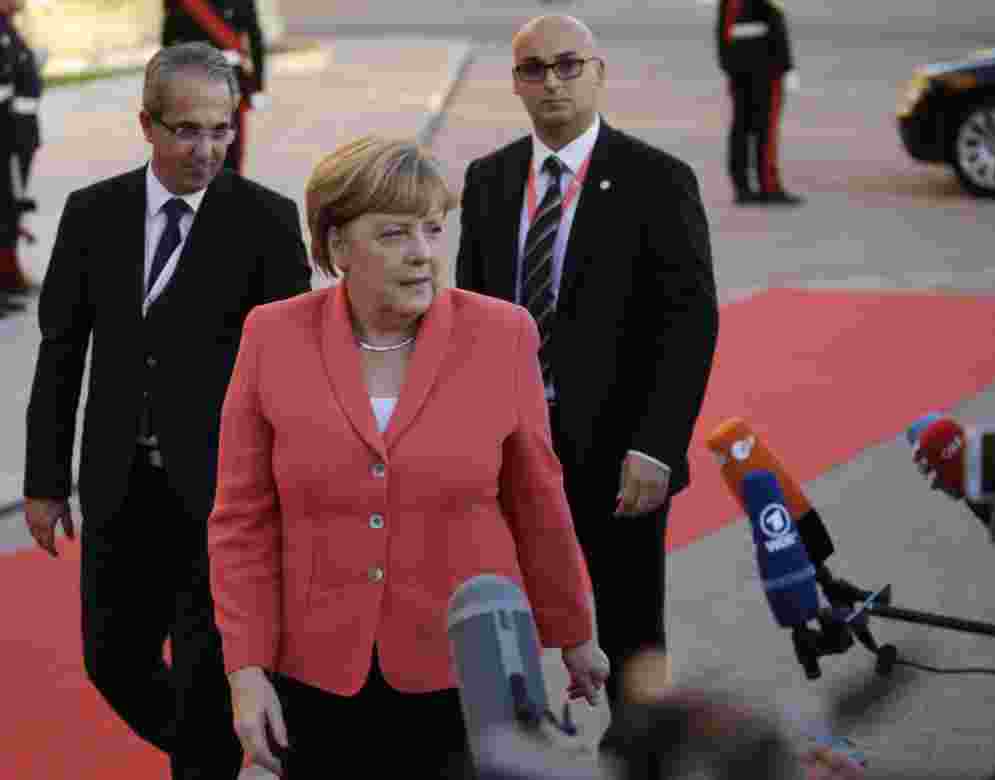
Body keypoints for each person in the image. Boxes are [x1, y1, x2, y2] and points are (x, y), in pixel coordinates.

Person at [209, 135, 610, 778]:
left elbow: (538, 500)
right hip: (318, 673)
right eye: (394, 233)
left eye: (432, 228)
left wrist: (575, 632)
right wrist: (246, 672)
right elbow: (241, 522)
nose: (423, 253)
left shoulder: (502, 336)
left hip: (467, 672)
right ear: (337, 245)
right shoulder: (271, 336)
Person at [22, 42, 310, 779]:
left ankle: (209, 759)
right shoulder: (93, 214)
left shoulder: (268, 223)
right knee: (110, 663)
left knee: (203, 676)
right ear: (146, 125)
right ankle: (219, 753)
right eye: (187, 129)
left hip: (223, 501)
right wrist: (45, 480)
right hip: (119, 491)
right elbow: (62, 353)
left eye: (221, 129)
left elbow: (292, 377)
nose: (208, 148)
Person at [455, 14, 719, 740]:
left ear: (599, 73)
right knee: (498, 629)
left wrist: (658, 444)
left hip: (621, 458)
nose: (553, 82)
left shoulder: (657, 179)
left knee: (633, 635)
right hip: (512, 454)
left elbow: (690, 324)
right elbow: (470, 319)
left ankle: (644, 759)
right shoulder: (488, 180)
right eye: (534, 69)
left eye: (569, 64)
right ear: (516, 83)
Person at [716, 0, 804, 205]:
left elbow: (723, 30)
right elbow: (776, 26)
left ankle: (742, 186)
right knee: (765, 130)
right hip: (766, 67)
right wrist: (787, 66)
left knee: (741, 127)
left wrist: (728, 65)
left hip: (739, 67)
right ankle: (768, 186)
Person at [162, 0, 265, 173]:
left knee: (221, 145)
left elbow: (254, 35)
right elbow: (169, 39)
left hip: (214, 78)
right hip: (206, 79)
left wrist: (258, 86)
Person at [0, 0, 42, 295]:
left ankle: (8, 275)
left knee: (11, 207)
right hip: (7, 132)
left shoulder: (9, 28)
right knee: (5, 208)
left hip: (19, 133)